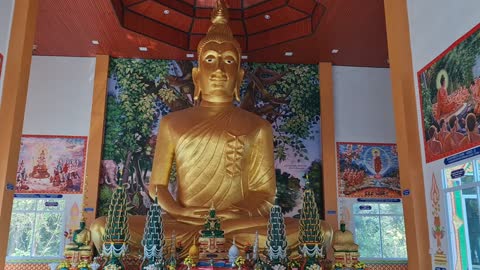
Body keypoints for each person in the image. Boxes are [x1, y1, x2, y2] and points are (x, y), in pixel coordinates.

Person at [91, 0, 331, 256]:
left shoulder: (258, 127)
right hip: (184, 223)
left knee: (320, 230)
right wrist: (179, 210)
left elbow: (264, 193)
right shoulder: (172, 122)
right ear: (197, 76)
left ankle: (200, 248)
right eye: (210, 59)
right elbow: (157, 186)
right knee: (103, 227)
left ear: (239, 76)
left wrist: (240, 212)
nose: (219, 69)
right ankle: (215, 247)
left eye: (229, 61)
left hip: (236, 224)